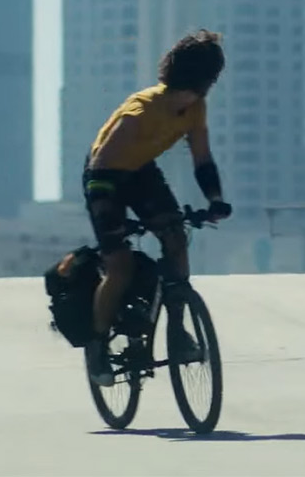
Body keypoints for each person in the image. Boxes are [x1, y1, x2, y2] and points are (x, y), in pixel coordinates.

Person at [81, 29, 232, 386]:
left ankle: (178, 332)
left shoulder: (195, 108)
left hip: (141, 171)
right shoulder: (141, 110)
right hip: (104, 176)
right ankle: (98, 346)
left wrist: (215, 200)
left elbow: (202, 159)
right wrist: (110, 221)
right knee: (119, 265)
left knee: (175, 237)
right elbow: (101, 163)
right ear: (206, 79)